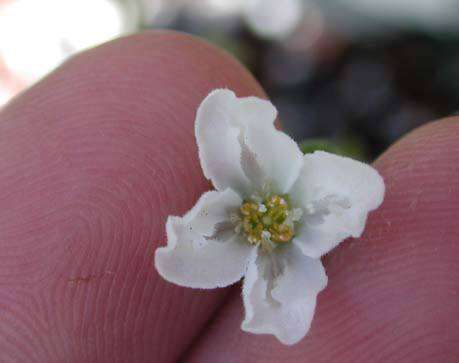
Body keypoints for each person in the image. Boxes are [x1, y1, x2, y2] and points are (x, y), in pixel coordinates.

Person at [0, 31, 457, 362]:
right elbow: (200, 262)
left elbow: (358, 193)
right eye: (263, 219)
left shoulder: (295, 175)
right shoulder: (241, 208)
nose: (265, 219)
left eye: (267, 218)